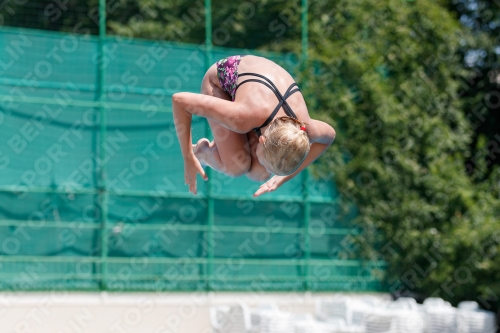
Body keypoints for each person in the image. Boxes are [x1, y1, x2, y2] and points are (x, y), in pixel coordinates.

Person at [172, 55, 336, 197]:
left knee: (260, 173)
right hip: (220, 82)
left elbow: (330, 136)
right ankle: (201, 153)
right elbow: (180, 101)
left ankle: (226, 147)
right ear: (262, 140)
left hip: (259, 92)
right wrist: (187, 157)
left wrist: (282, 177)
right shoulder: (242, 117)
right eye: (265, 161)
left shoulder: (305, 129)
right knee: (236, 167)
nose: (266, 166)